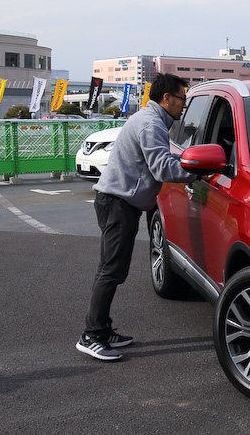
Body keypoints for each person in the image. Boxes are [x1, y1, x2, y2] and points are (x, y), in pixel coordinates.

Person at [76, 73, 198, 361]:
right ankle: (91, 335)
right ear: (166, 98)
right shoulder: (151, 123)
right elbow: (162, 169)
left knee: (112, 269)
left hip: (120, 202)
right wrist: (199, 172)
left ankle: (102, 330)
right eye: (182, 99)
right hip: (118, 203)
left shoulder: (152, 120)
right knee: (111, 270)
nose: (184, 106)